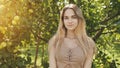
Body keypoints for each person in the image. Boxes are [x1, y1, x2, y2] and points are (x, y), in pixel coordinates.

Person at [48, 4, 96, 68]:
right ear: (62, 21)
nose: (70, 21)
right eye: (66, 18)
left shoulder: (89, 44)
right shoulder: (55, 41)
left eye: (73, 17)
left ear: (79, 19)